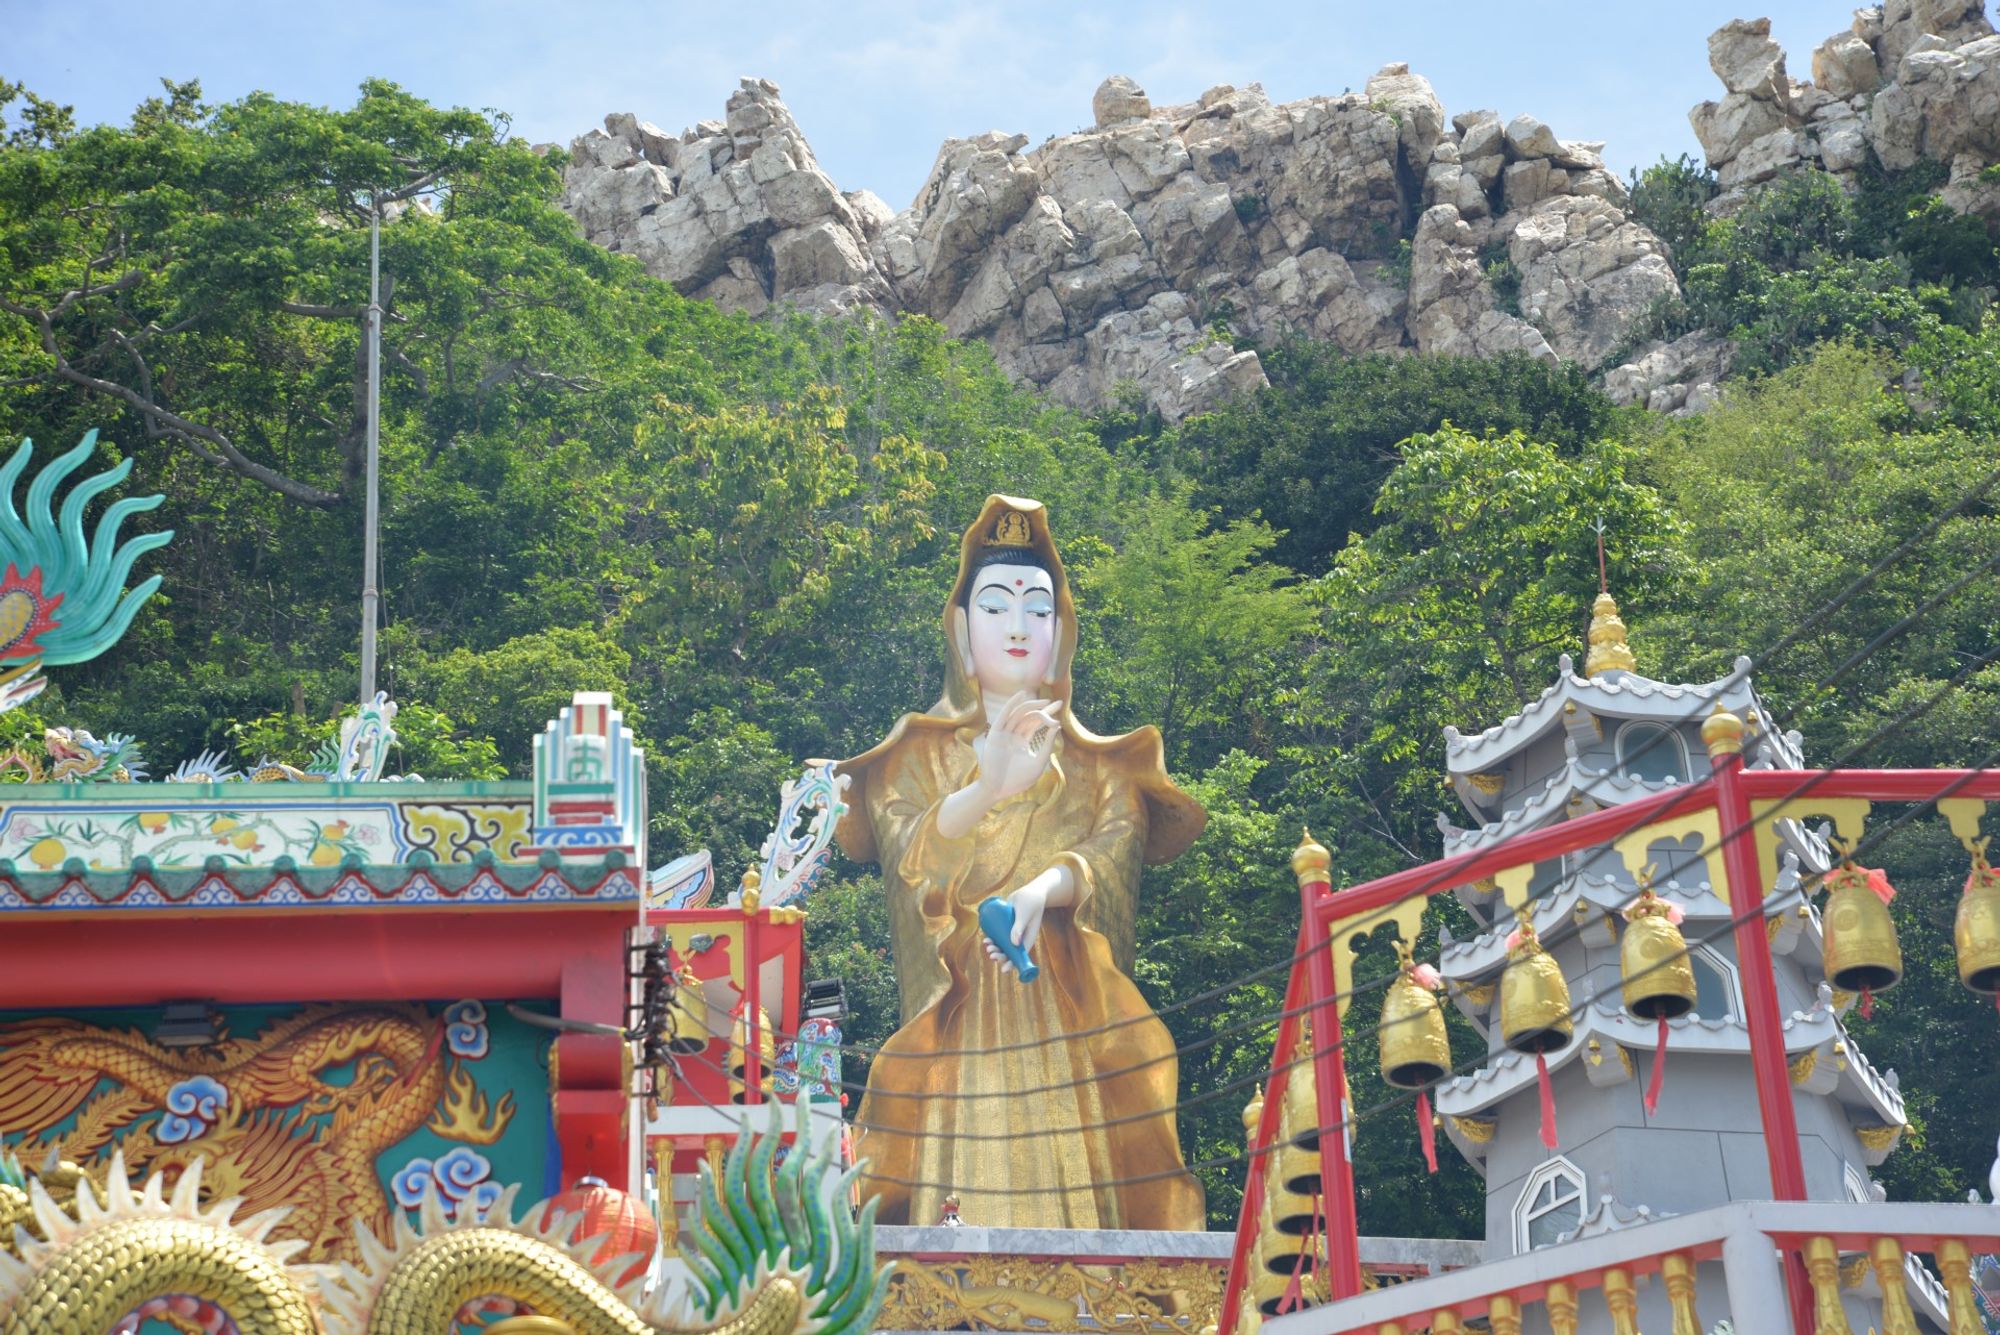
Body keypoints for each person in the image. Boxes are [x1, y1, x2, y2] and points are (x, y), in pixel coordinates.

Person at [834, 494, 1206, 1229]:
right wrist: (988, 784)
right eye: (996, 605)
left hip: (1060, 999)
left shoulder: (1106, 767)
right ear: (962, 635)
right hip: (961, 1007)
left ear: (1060, 636)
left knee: (1076, 1187)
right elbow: (910, 856)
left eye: (1037, 609)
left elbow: (1115, 846)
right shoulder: (911, 758)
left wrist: (1043, 888)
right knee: (955, 1179)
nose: (1016, 625)